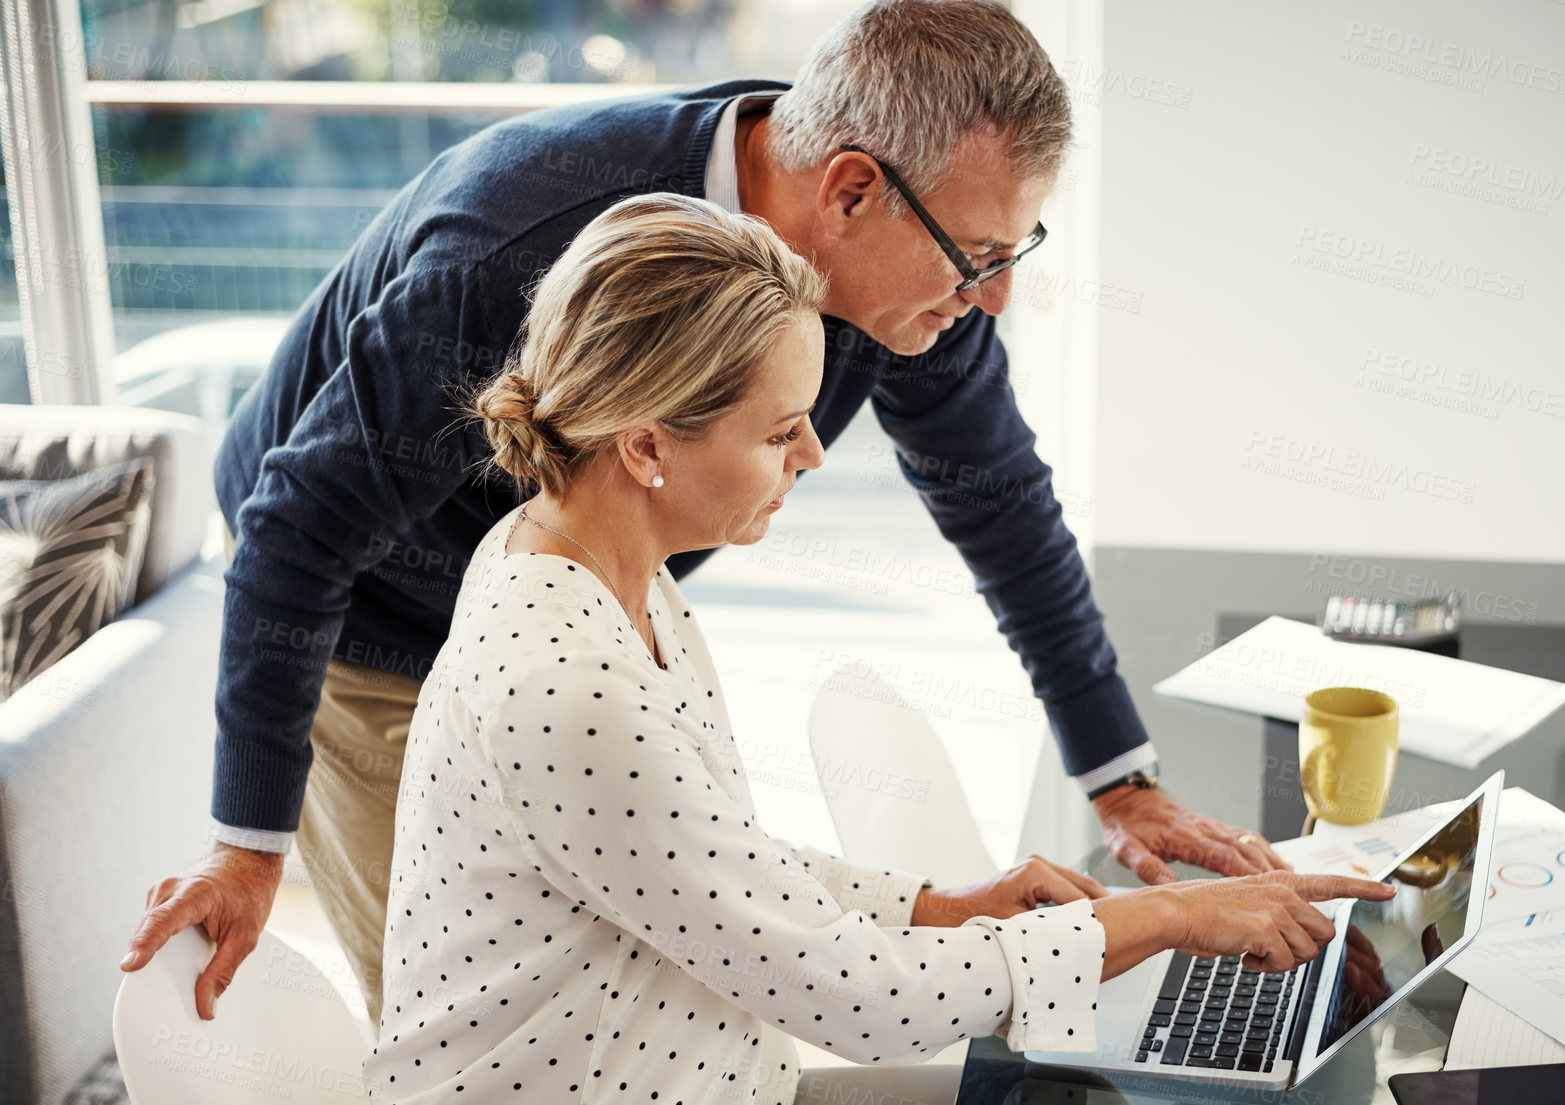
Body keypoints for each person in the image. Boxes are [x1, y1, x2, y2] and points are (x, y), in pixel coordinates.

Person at [121, 0, 1291, 1029]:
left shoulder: (905, 276)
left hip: (582, 607)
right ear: (848, 189)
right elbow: (295, 528)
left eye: (1011, 252)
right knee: (495, 1008)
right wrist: (247, 846)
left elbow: (1001, 505)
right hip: (366, 609)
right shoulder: (515, 246)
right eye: (976, 257)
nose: (990, 296)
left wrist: (1118, 779)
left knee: (658, 980)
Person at [366, 191, 1392, 1103]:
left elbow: (717, 858)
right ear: (644, 445)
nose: (811, 454)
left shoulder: (589, 561)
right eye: (780, 432)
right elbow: (856, 1003)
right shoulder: (570, 686)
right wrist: (1170, 919)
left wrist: (943, 906)